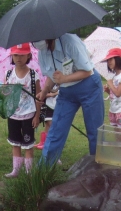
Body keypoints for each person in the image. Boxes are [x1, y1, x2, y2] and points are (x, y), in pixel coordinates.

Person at [34, 34, 104, 165]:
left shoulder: (71, 42)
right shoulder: (42, 53)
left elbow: (87, 71)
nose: (35, 43)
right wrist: (44, 91)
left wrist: (64, 79)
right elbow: (52, 75)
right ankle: (44, 171)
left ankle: (98, 168)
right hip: (67, 92)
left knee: (94, 131)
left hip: (89, 86)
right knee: (56, 130)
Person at [4, 44, 41, 177]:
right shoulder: (8, 74)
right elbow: (6, 94)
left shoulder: (33, 75)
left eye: (22, 55)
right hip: (13, 114)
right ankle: (16, 170)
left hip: (28, 114)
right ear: (12, 57)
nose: (18, 58)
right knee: (15, 143)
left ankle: (29, 172)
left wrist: (37, 116)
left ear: (28, 56)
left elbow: (38, 97)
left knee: (28, 144)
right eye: (15, 55)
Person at [102, 47, 121, 130]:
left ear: (119, 59)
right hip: (113, 109)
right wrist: (108, 90)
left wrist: (111, 84)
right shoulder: (115, 76)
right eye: (108, 60)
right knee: (116, 134)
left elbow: (118, 93)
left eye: (111, 59)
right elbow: (115, 94)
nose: (109, 62)